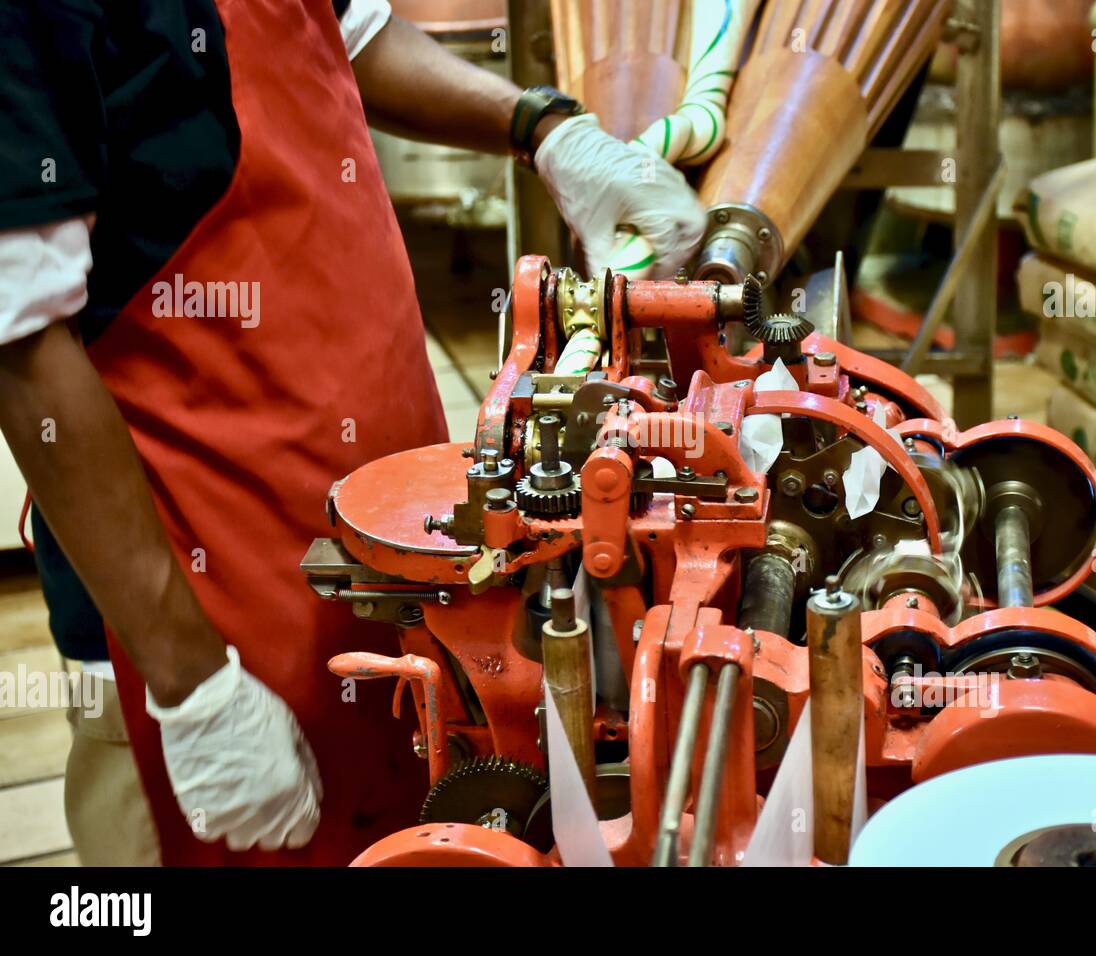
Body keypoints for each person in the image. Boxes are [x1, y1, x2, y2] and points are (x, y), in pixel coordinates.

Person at [0, 0, 705, 865]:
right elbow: (20, 342)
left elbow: (347, 29)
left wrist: (545, 128)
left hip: (383, 562)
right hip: (210, 605)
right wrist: (194, 691)